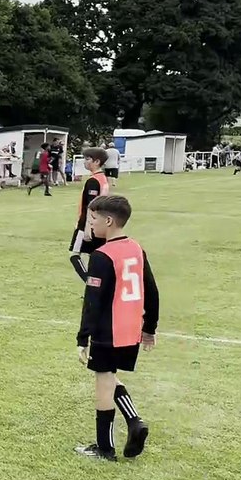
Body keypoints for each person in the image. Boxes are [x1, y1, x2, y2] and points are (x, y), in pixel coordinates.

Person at [74, 194, 158, 461]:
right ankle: (134, 421)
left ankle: (104, 448)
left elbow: (93, 301)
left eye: (93, 220)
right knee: (108, 375)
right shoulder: (136, 248)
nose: (90, 225)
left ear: (108, 221)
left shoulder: (102, 255)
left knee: (103, 382)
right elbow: (152, 291)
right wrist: (150, 327)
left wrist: (82, 337)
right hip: (131, 328)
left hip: (107, 330)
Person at [70, 147, 110, 281]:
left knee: (75, 255)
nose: (85, 162)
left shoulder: (93, 181)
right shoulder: (102, 178)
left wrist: (87, 226)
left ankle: (92, 284)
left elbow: (92, 206)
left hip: (89, 224)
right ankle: (97, 285)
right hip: (99, 224)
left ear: (97, 161)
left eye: (88, 159)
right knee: (94, 256)